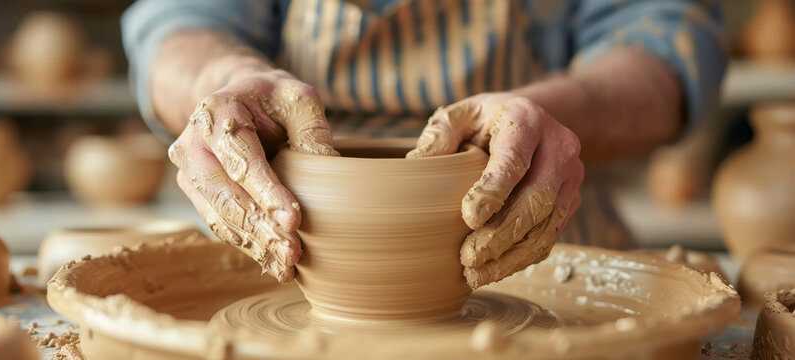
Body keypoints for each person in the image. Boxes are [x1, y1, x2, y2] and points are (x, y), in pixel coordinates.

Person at [121, 0, 726, 287]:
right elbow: (175, 27)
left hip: (534, 241)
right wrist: (220, 84)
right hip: (289, 256)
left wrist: (554, 115)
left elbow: (669, 39)